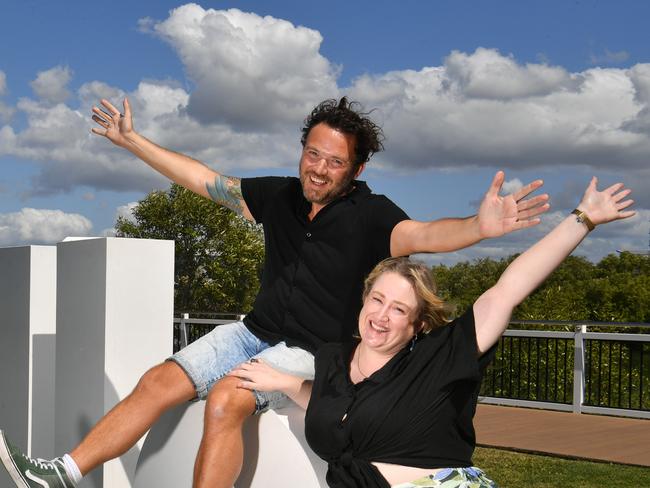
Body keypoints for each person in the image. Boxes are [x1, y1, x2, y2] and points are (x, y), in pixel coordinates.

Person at [0, 97, 548, 488]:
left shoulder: (371, 214)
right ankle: (62, 474)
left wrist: (480, 228)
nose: (320, 169)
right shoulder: (279, 196)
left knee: (227, 399)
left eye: (336, 162)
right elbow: (203, 179)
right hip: (253, 331)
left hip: (312, 351)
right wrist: (132, 141)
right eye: (314, 154)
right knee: (159, 380)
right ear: (303, 150)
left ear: (356, 168)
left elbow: (427, 236)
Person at [228, 177, 634, 487]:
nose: (382, 316)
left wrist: (582, 219)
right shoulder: (333, 358)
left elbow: (509, 289)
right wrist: (284, 381)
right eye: (377, 300)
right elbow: (332, 403)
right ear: (363, 301)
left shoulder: (439, 356)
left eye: (399, 308)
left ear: (418, 323)